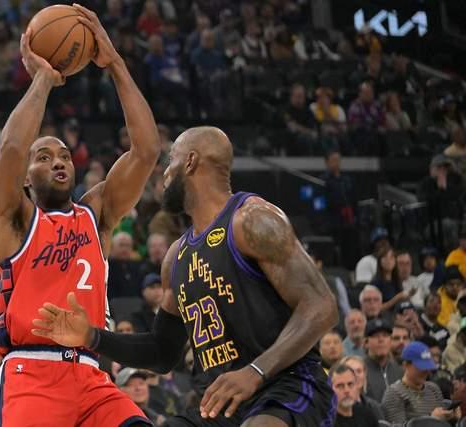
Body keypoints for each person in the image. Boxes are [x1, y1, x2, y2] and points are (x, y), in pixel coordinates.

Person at [33, 126, 338, 426]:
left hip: (285, 386)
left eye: (170, 161)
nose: (164, 173)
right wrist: (91, 336)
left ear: (190, 162)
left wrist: (256, 371)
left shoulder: (252, 220)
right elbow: (162, 352)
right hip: (221, 405)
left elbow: (321, 306)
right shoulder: (175, 257)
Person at [0, 6, 161, 427]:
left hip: (92, 374)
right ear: (25, 178)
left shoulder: (95, 214)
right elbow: (12, 149)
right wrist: (44, 79)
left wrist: (114, 63)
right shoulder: (13, 218)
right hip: (33, 372)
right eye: (44, 157)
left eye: (64, 155)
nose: (58, 161)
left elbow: (146, 151)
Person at [382, 341, 460, 424]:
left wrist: (452, 418)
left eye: (427, 367)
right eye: (421, 367)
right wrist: (431, 419)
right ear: (405, 365)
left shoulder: (433, 389)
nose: (425, 371)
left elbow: (442, 423)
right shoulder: (394, 394)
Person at [364, 319, 403, 402]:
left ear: (390, 341)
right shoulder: (359, 371)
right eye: (375, 336)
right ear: (366, 343)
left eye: (385, 335)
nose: (381, 339)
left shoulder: (400, 371)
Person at [338, 356, 384, 421]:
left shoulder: (374, 407)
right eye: (351, 371)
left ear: (365, 375)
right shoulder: (333, 408)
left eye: (359, 371)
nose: (356, 375)